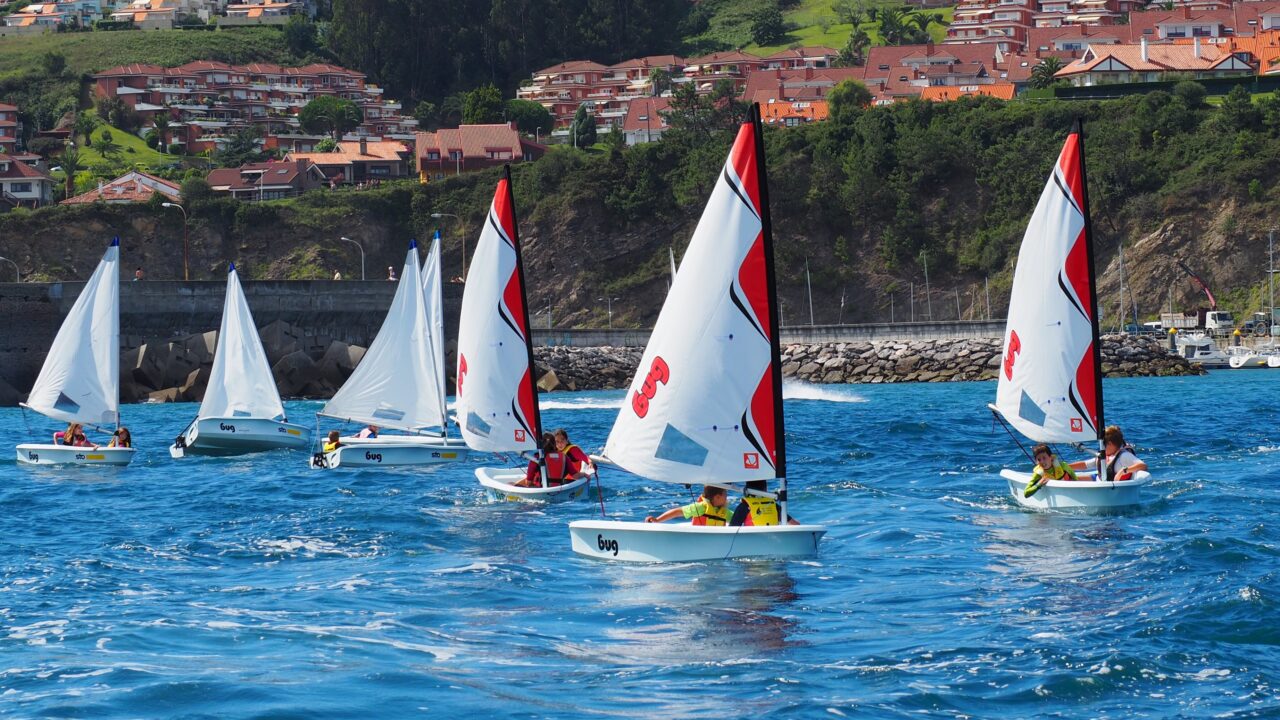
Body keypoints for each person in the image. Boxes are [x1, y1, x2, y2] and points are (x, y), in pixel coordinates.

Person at [1069, 425, 1148, 482]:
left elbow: (1143, 465)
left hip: (1109, 489)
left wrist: (1123, 471)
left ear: (1109, 444)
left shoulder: (1123, 456)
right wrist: (1067, 467)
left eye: (1103, 444)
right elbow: (1086, 465)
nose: (1101, 448)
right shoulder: (1105, 456)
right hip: (1098, 480)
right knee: (1067, 479)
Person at [646, 485, 730, 526]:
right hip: (698, 540)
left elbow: (735, 518)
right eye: (725, 494)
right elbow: (677, 512)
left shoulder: (723, 512)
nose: (727, 497)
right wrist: (657, 520)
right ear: (717, 497)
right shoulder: (701, 507)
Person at [730, 480, 801, 526]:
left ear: (747, 489)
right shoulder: (773, 504)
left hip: (753, 542)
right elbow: (795, 524)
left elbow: (732, 529)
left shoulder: (744, 506)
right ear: (765, 488)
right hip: (774, 541)